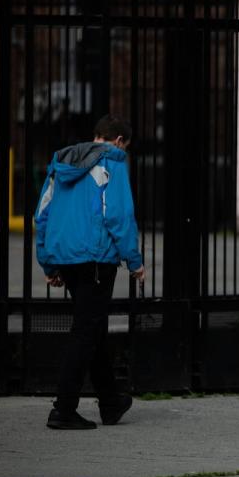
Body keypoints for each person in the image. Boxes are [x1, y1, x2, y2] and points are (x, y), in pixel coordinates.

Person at [35, 114, 145, 430]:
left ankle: (111, 402)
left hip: (66, 256)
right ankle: (63, 409)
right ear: (120, 140)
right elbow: (119, 217)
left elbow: (41, 215)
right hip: (96, 259)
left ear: (96, 135)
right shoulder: (113, 163)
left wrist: (49, 262)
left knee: (93, 328)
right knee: (86, 330)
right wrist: (135, 261)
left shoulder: (62, 161)